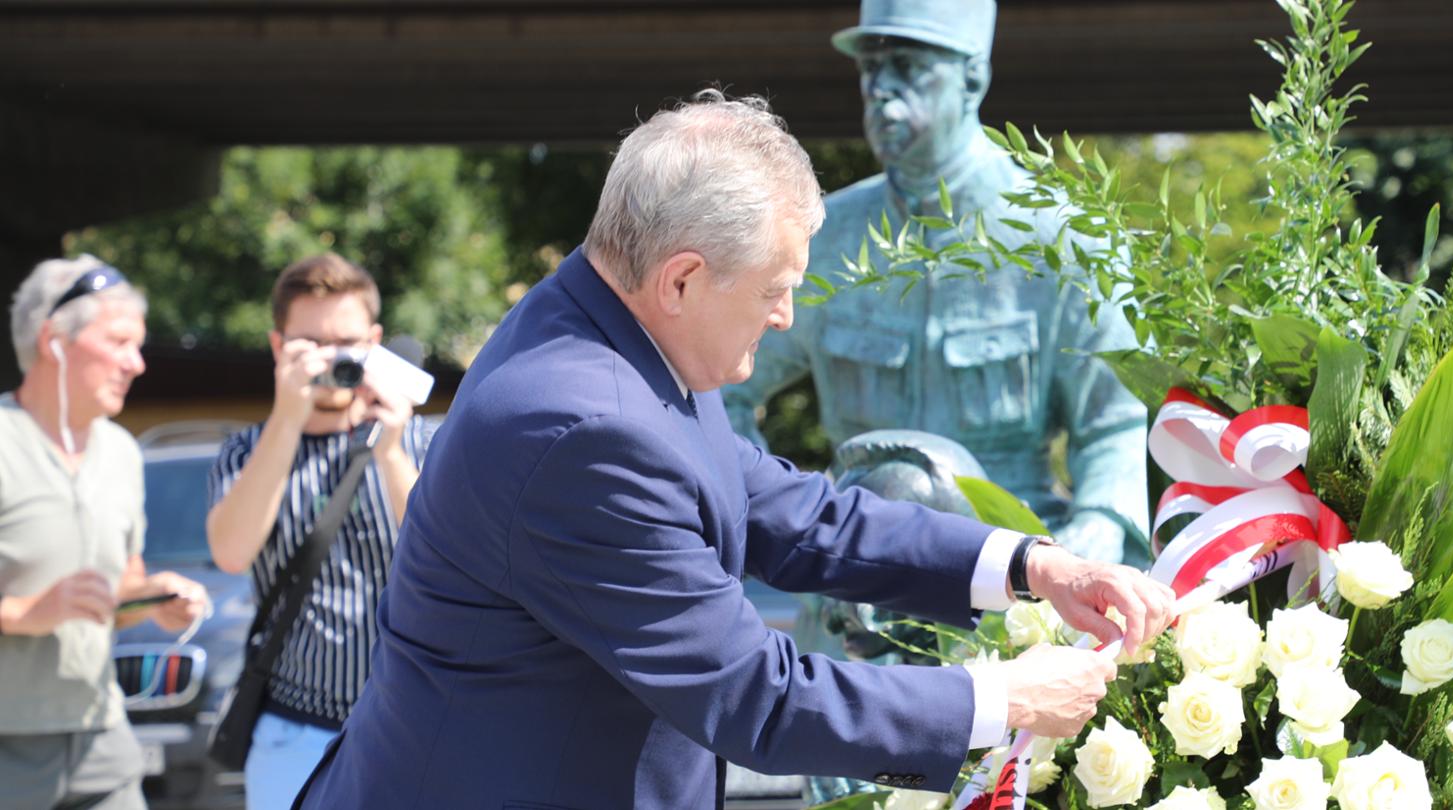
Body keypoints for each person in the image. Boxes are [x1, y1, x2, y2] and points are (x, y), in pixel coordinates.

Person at [294, 91, 1174, 809]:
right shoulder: (586, 428)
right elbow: (756, 697)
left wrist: (1031, 566)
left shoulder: (617, 329)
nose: (787, 317)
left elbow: (783, 509)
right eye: (774, 289)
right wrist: (1002, 698)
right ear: (681, 278)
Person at [722, 0, 1151, 566]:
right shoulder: (821, 237)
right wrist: (768, 514)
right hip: (856, 572)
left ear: (972, 77)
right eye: (871, 68)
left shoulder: (1070, 242)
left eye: (909, 65)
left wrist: (1097, 528)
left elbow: (1113, 425)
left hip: (1019, 571)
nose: (880, 88)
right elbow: (718, 381)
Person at [203, 254, 433, 809]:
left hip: (412, 725)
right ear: (278, 346)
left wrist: (391, 454)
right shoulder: (244, 452)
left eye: (347, 343)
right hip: (294, 732)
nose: (332, 359)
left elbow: (450, 558)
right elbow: (231, 553)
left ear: (374, 342)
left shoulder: (418, 441)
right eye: (312, 344)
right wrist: (288, 417)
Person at [0, 256, 209, 810]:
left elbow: (118, 591)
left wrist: (154, 598)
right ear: (54, 341)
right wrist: (25, 613)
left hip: (102, 736)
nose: (136, 364)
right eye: (118, 342)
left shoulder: (121, 452)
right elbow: (40, 608)